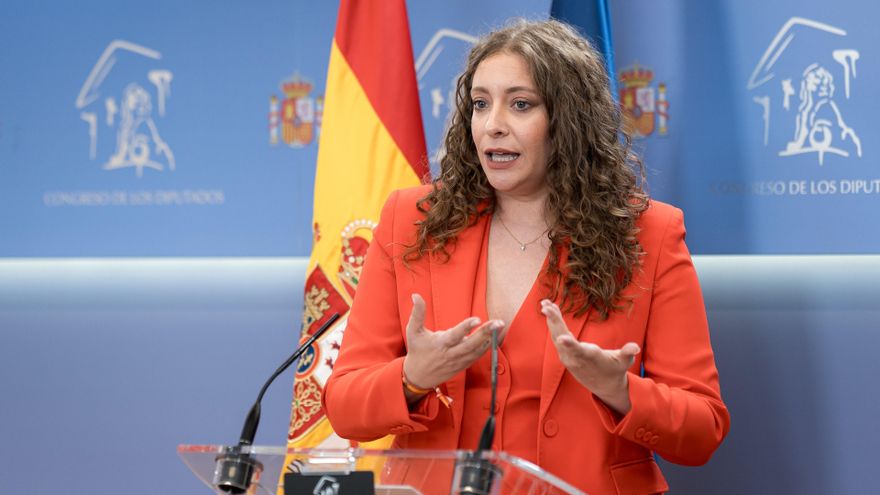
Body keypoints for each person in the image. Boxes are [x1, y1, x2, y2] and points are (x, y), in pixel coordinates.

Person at [323, 19, 729, 495]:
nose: (493, 123)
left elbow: (703, 429)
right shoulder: (410, 222)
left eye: (520, 104)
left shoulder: (649, 234)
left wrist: (620, 390)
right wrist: (412, 377)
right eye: (480, 103)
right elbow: (345, 405)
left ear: (568, 120)